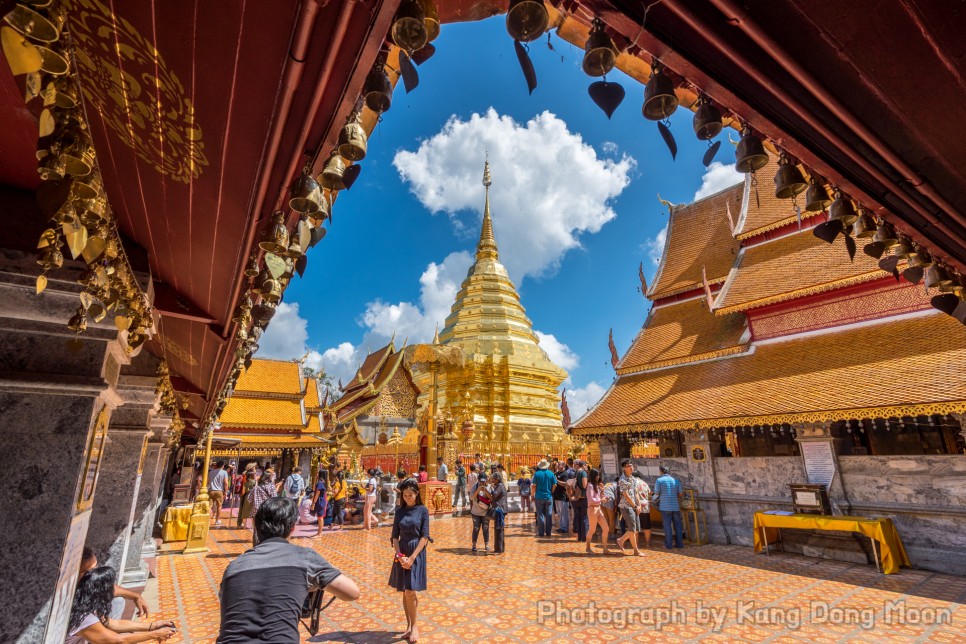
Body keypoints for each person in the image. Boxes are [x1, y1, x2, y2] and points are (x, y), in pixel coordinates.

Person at [217, 497, 360, 643]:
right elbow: (353, 592)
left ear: (256, 525)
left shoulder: (234, 567)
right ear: (292, 527)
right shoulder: (304, 558)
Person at [67, 566, 176, 643]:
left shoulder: (84, 602)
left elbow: (113, 623)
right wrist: (155, 634)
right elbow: (118, 641)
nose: (113, 589)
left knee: (119, 601)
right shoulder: (84, 618)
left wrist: (153, 626)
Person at [389, 478, 431, 643]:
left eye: (410, 494)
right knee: (406, 589)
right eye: (405, 494)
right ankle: (408, 625)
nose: (407, 497)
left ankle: (414, 626)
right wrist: (400, 556)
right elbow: (394, 536)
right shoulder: (399, 511)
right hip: (402, 553)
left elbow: (425, 536)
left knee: (410, 590)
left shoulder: (423, 510)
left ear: (417, 494)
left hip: (416, 552)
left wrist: (412, 558)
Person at [79, 547, 150, 619]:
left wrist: (136, 596)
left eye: (96, 567)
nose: (95, 573)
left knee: (117, 601)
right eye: (90, 571)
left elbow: (109, 588)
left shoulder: (89, 581)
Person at [616, 460, 646, 556]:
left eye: (631, 466)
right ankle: (636, 550)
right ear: (624, 468)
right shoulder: (622, 480)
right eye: (629, 466)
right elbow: (626, 495)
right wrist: (635, 506)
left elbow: (636, 493)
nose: (631, 468)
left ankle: (621, 540)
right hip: (626, 506)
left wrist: (639, 505)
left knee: (636, 529)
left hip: (634, 506)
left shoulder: (633, 479)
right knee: (632, 529)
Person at [653, 463, 684, 549]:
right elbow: (680, 493)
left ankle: (668, 544)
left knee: (667, 526)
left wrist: (653, 498)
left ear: (661, 471)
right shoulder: (676, 480)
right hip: (675, 506)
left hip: (665, 506)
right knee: (678, 526)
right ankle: (679, 544)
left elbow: (657, 493)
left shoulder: (659, 480)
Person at [584, 468, 612, 555]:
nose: (598, 477)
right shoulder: (590, 486)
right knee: (592, 530)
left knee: (606, 528)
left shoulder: (596, 485)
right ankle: (588, 547)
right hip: (593, 509)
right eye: (597, 475)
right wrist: (601, 500)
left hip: (598, 508)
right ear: (594, 476)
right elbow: (591, 499)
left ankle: (605, 548)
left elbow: (598, 497)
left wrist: (602, 492)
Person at [532, 459, 555, 537]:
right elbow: (555, 485)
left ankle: (541, 532)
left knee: (540, 514)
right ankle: (548, 532)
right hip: (548, 496)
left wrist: (532, 495)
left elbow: (534, 486)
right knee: (549, 515)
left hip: (539, 496)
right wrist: (551, 491)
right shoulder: (551, 474)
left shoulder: (537, 474)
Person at [469, 472, 491, 552]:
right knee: (476, 528)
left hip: (485, 512)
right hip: (476, 512)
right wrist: (478, 490)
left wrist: (487, 492)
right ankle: (474, 544)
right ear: (478, 480)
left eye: (484, 481)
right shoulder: (474, 487)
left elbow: (492, 499)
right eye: (481, 481)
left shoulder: (489, 487)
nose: (482, 483)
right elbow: (471, 498)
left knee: (485, 528)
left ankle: (487, 544)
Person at [632, 471, 653, 549]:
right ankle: (647, 543)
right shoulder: (644, 483)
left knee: (635, 527)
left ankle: (636, 544)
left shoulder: (632, 483)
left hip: (635, 507)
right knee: (646, 526)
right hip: (645, 507)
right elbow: (649, 493)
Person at [488, 472, 508, 554]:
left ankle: (499, 549)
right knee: (499, 529)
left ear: (498, 479)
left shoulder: (500, 486)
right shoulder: (499, 485)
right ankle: (500, 548)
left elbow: (495, 495)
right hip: (500, 509)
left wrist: (490, 488)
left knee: (498, 529)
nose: (492, 480)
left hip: (500, 510)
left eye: (494, 479)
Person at [571, 459, 589, 543]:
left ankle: (579, 536)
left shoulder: (575, 472)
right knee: (584, 517)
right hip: (583, 497)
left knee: (578, 517)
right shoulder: (583, 473)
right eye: (586, 466)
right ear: (584, 465)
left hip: (575, 498)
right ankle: (584, 537)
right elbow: (585, 485)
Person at [208, 461, 229, 525]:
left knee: (209, 506)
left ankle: (207, 519)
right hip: (219, 491)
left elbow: (208, 482)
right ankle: (217, 520)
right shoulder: (224, 472)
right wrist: (226, 492)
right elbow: (225, 483)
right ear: (223, 466)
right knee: (219, 506)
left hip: (211, 490)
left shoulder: (210, 472)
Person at [310, 469, 329, 537]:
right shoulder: (322, 482)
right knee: (319, 517)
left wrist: (313, 503)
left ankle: (320, 533)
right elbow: (314, 488)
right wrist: (315, 479)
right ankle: (319, 532)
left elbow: (317, 492)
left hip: (320, 501)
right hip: (321, 501)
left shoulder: (321, 482)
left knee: (320, 517)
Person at [553, 462, 570, 534]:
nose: (557, 465)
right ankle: (561, 527)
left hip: (563, 496)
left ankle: (565, 528)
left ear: (563, 465)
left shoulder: (565, 474)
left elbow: (565, 484)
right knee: (559, 513)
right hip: (556, 495)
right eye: (558, 464)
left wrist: (556, 480)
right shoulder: (556, 474)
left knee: (564, 513)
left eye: (559, 464)